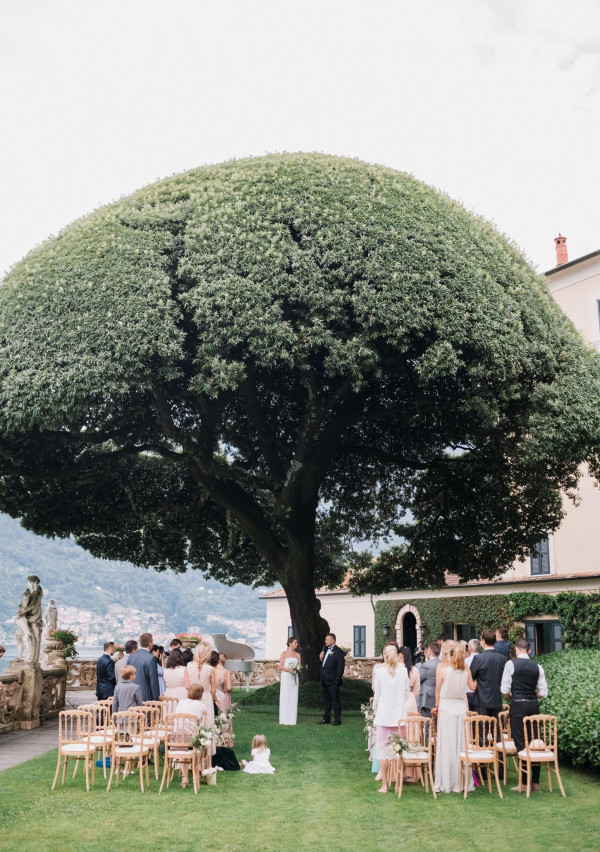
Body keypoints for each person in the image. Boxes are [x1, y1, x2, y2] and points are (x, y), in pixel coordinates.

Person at [501, 637, 549, 793]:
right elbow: (543, 692)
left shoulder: (511, 664)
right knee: (535, 743)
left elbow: (504, 690)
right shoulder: (538, 667)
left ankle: (523, 783)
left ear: (516, 649)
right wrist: (532, 695)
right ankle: (535, 783)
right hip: (533, 706)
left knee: (521, 744)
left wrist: (511, 697)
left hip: (518, 706)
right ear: (529, 651)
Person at [467, 628, 507, 779]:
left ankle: (483, 771)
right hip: (496, 700)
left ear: (483, 641)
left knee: (482, 736)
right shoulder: (502, 659)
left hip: (481, 701)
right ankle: (501, 770)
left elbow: (472, 677)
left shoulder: (478, 659)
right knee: (497, 735)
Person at [434, 644, 473, 793]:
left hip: (447, 709)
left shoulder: (444, 672)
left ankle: (447, 781)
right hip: (460, 708)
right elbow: (469, 688)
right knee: (461, 744)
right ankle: (461, 781)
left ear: (451, 657)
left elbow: (438, 690)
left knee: (447, 745)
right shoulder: (465, 673)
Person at [373, 644, 410, 793]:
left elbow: (377, 695)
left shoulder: (380, 672)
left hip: (384, 716)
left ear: (385, 656)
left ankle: (385, 785)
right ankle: (397, 782)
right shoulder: (403, 671)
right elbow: (407, 693)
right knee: (398, 751)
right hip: (399, 718)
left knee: (383, 752)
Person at [174, 684, 207, 788]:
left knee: (184, 749)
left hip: (176, 739)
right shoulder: (201, 705)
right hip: (191, 739)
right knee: (203, 745)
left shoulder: (181, 702)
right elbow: (202, 723)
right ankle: (197, 769)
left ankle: (185, 777)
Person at [188, 640, 217, 754]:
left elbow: (188, 685)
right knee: (206, 725)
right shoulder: (211, 669)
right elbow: (213, 689)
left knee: (193, 725)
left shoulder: (189, 666)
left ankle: (192, 751)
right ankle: (206, 756)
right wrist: (213, 698)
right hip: (206, 698)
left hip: (192, 697)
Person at [318, 632, 345, 726]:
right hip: (324, 679)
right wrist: (321, 658)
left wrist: (337, 679)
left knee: (335, 700)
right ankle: (326, 718)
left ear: (333, 640)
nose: (325, 641)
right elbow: (324, 663)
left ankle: (337, 720)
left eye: (327, 640)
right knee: (326, 700)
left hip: (333, 680)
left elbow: (340, 667)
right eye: (325, 640)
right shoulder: (325, 650)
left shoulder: (339, 652)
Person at [16, 575, 43, 663]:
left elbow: (31, 607)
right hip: (31, 621)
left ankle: (28, 658)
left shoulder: (35, 593)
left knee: (27, 637)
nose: (28, 584)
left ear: (33, 582)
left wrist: (22, 612)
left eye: (28, 582)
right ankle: (24, 657)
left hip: (28, 620)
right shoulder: (38, 593)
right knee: (19, 636)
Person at [128, 632, 160, 701]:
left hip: (131, 694)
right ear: (150, 643)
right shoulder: (151, 658)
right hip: (145, 696)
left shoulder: (131, 657)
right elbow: (153, 680)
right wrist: (156, 699)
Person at [279, 636, 301, 726]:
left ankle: (292, 719)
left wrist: (296, 669)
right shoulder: (284, 654)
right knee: (285, 696)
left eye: (297, 643)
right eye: (295, 643)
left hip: (294, 677)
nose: (297, 644)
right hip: (286, 676)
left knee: (293, 696)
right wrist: (289, 670)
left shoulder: (298, 655)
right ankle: (284, 719)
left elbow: (300, 667)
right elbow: (280, 666)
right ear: (290, 643)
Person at [417, 642, 440, 718]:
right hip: (439, 697)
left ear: (429, 652)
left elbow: (419, 679)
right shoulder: (443, 664)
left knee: (428, 725)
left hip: (427, 699)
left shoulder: (425, 666)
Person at [464, 639, 480, 711]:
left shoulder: (465, 661)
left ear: (469, 648)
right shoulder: (484, 659)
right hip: (481, 693)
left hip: (469, 693)